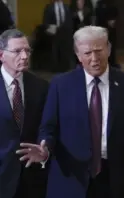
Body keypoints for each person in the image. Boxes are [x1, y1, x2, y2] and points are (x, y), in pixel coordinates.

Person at [16, 26, 124, 198]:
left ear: (109, 49)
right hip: (70, 180)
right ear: (77, 55)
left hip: (114, 180)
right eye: (87, 53)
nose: (94, 58)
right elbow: (48, 128)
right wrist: (44, 149)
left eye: (99, 51)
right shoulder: (60, 85)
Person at [0, 29, 49, 198]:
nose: (24, 56)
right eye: (17, 51)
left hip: (32, 179)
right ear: (1, 55)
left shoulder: (41, 87)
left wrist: (45, 150)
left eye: (27, 50)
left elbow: (48, 126)